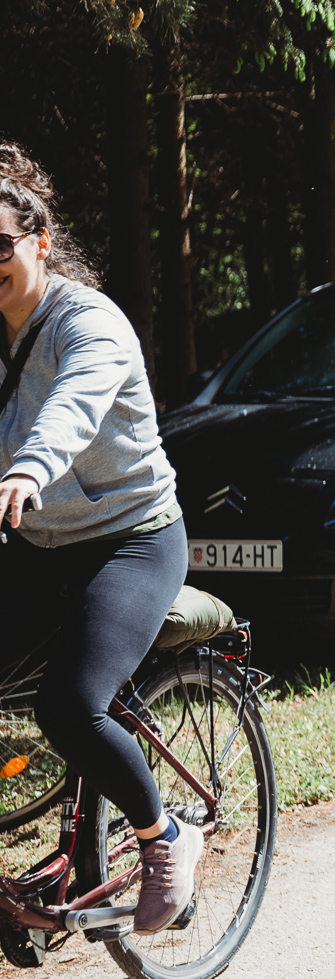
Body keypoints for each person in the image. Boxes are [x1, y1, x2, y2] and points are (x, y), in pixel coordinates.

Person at [0, 143, 198, 935]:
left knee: (70, 705)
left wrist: (26, 469)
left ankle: (164, 836)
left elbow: (70, 408)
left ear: (39, 241)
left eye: (0, 247)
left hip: (130, 540)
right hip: (37, 539)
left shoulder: (92, 323)